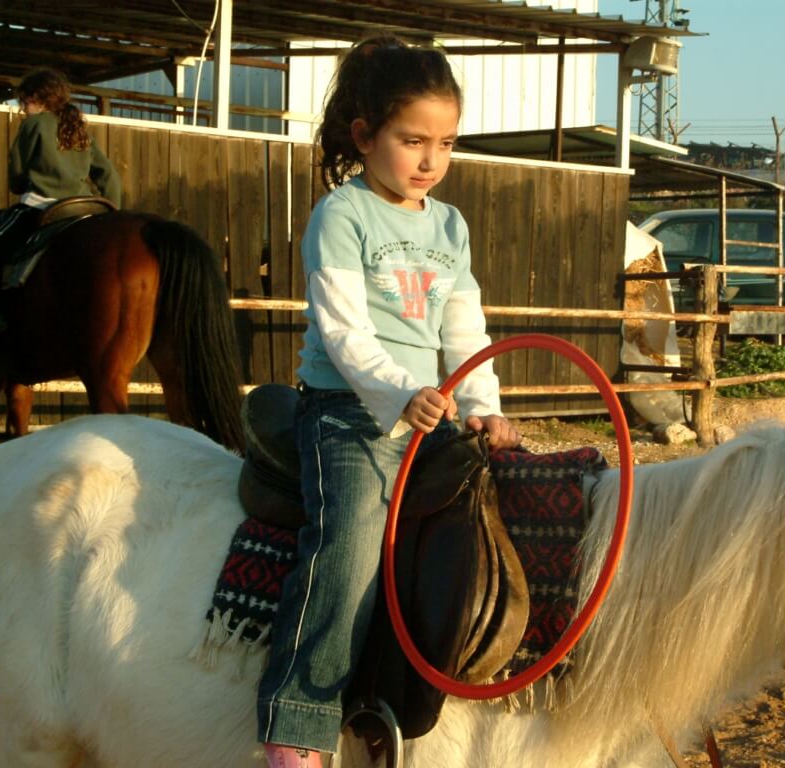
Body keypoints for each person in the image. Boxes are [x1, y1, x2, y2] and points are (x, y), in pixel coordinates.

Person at [255, 35, 522, 768]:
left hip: (425, 412)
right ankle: (297, 722)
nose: (431, 160)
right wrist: (401, 392)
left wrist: (480, 402)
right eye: (412, 140)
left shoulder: (449, 226)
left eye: (445, 142)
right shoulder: (342, 216)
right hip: (346, 410)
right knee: (347, 545)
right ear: (365, 135)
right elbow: (342, 330)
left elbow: (464, 324)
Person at [0, 66, 122, 347]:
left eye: (24, 102)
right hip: (84, 208)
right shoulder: (77, 127)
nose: (23, 109)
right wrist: (113, 212)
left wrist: (25, 180)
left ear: (39, 99)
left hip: (42, 207)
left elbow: (16, 178)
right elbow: (108, 175)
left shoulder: (33, 125)